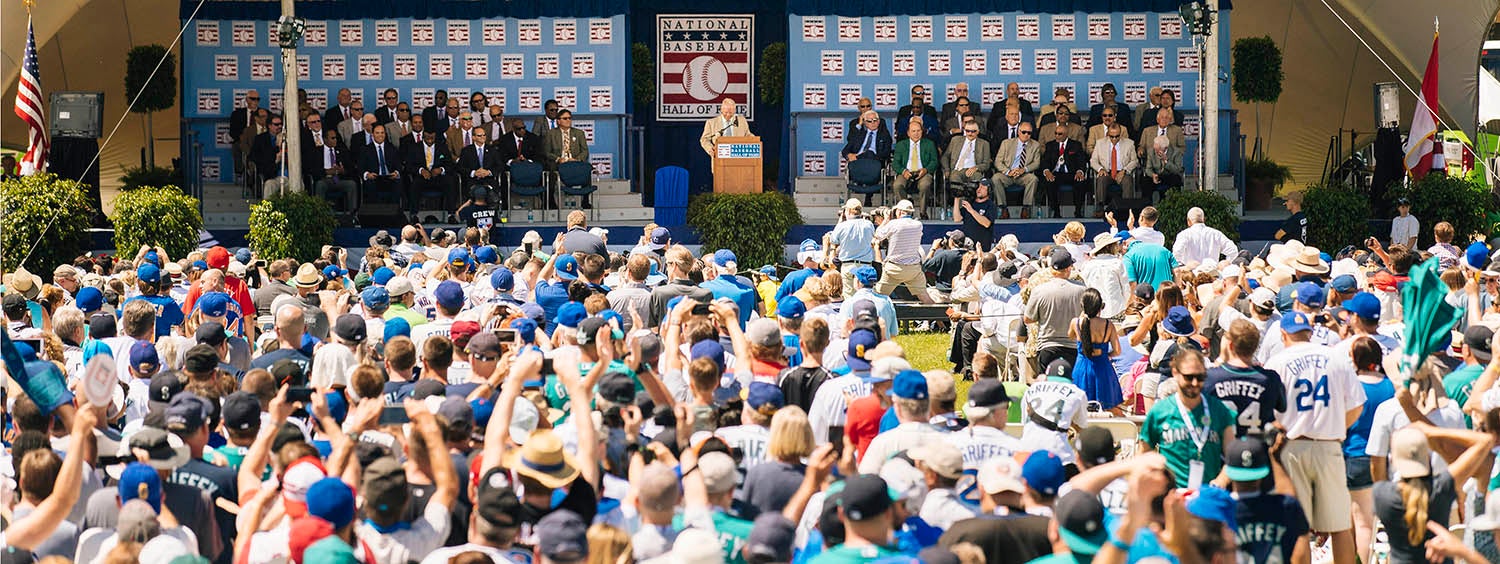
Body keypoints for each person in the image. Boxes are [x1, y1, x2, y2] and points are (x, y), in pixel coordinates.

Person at [1263, 311, 1365, 564]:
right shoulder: (1336, 357)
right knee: (1340, 526)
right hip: (1329, 445)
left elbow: (1269, 413)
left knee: (1298, 529)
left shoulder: (1277, 362)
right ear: (1309, 332)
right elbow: (1357, 405)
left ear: (1284, 334)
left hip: (1291, 447)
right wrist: (1336, 428)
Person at [1138, 348, 1237, 488]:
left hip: (1207, 495)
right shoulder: (1160, 412)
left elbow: (1232, 456)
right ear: (1175, 373)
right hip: (1172, 497)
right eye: (1189, 377)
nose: (1195, 383)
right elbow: (1143, 455)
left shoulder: (1219, 410)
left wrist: (1221, 480)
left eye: (1201, 377)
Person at [1024, 249, 1087, 375]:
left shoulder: (1039, 290)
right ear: (1069, 268)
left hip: (1047, 346)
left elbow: (1028, 319)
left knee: (1048, 387)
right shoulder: (1082, 290)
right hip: (1073, 346)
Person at [1068, 288, 1123, 411]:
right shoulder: (1108, 325)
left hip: (1082, 368)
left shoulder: (1076, 323)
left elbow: (1071, 336)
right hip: (1102, 368)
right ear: (1100, 307)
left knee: (1078, 408)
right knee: (1110, 408)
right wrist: (1107, 355)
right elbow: (1117, 351)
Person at [873, 200, 934, 304]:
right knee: (925, 297)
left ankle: (875, 319)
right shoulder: (918, 225)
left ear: (900, 211)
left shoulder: (893, 224)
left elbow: (878, 234)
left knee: (877, 297)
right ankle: (944, 318)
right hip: (913, 269)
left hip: (893, 270)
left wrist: (886, 219)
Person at [827, 199, 877, 299]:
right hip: (865, 265)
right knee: (865, 296)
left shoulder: (842, 226)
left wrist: (840, 221)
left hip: (848, 265)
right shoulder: (869, 225)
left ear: (848, 211)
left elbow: (833, 240)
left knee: (848, 297)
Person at [992, 122, 1042, 219]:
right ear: (1018, 132)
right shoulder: (1006, 143)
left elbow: (1036, 163)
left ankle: (1026, 208)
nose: (1026, 135)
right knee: (995, 178)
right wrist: (1008, 171)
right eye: (1024, 132)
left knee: (1033, 179)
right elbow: (998, 162)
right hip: (1008, 174)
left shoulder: (1035, 145)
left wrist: (1024, 169)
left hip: (1023, 175)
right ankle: (1003, 208)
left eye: (1029, 133)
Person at [1040, 123, 1089, 219]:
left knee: (1081, 182)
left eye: (1060, 134)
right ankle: (1056, 211)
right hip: (1056, 174)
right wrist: (1047, 171)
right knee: (1049, 182)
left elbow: (1081, 161)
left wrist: (1080, 171)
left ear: (1066, 134)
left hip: (1071, 174)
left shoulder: (1075, 145)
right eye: (1056, 133)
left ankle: (1078, 211)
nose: (1057, 136)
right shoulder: (1050, 145)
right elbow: (1044, 161)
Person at [891, 120, 939, 216]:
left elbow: (934, 161)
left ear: (922, 131)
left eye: (918, 131)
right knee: (897, 185)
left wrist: (925, 170)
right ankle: (905, 211)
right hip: (906, 172)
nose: (916, 133)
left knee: (925, 185)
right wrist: (903, 171)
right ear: (908, 133)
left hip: (923, 172)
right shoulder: (901, 145)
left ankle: (923, 212)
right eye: (913, 131)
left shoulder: (929, 144)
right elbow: (895, 163)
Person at [1089, 124, 1136, 214]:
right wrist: (1100, 169)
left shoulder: (1129, 143)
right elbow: (1093, 160)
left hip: (1122, 171)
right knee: (1101, 179)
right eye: (1111, 136)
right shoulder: (1100, 143)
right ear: (1108, 134)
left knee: (1127, 181)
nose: (1114, 139)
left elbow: (1134, 161)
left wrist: (1124, 170)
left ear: (1120, 134)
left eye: (1117, 136)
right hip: (1107, 171)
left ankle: (1126, 209)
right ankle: (1100, 207)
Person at [1172, 207, 1239, 268]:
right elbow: (1233, 250)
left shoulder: (1184, 235)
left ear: (1188, 221)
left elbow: (1176, 254)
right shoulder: (1216, 234)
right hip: (1213, 275)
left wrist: (1184, 268)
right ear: (1203, 219)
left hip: (1192, 276)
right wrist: (1225, 266)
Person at [941, 118, 992, 197]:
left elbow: (986, 164)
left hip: (973, 170)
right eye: (967, 131)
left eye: (973, 131)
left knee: (978, 179)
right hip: (957, 170)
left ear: (978, 132)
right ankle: (960, 206)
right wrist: (947, 169)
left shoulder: (984, 144)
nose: (970, 133)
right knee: (955, 180)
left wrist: (976, 168)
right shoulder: (955, 140)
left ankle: (974, 205)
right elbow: (945, 156)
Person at [457, 125, 503, 210]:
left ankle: (493, 215)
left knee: (493, 189)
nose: (483, 137)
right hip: (472, 180)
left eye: (484, 135)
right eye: (479, 135)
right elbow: (460, 167)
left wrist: (488, 172)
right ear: (473, 137)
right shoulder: (466, 150)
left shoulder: (492, 150)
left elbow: (500, 166)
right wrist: (474, 173)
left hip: (489, 180)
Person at [953, 179, 997, 250]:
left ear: (989, 190)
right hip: (967, 247)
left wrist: (971, 210)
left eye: (982, 187)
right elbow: (957, 219)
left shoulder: (991, 205)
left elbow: (987, 223)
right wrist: (956, 198)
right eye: (978, 187)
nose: (979, 189)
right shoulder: (970, 202)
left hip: (982, 248)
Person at [1142, 135, 1184, 202]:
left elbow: (1177, 170)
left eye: (1157, 149)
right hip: (1156, 175)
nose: (1155, 151)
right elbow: (1148, 169)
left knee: (1176, 179)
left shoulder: (1176, 152)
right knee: (1145, 181)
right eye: (1155, 149)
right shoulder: (1151, 151)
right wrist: (1153, 175)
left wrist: (1166, 161)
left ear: (1165, 148)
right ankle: (1147, 207)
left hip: (1169, 175)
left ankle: (1173, 206)